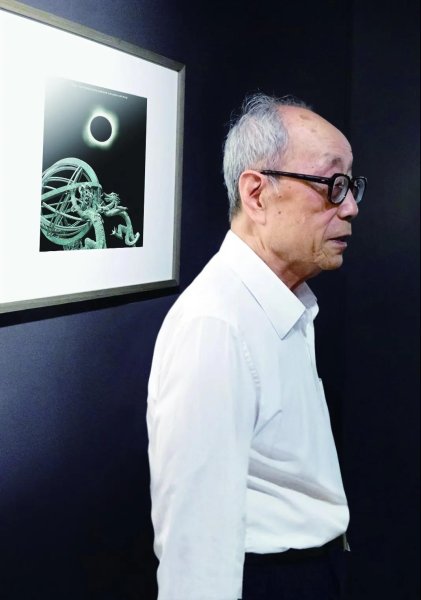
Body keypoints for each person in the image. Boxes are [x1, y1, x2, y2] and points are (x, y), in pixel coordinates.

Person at [147, 92, 366, 600]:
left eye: (351, 185)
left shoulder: (286, 302)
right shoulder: (216, 325)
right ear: (257, 194)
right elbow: (196, 551)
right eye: (333, 185)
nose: (351, 207)